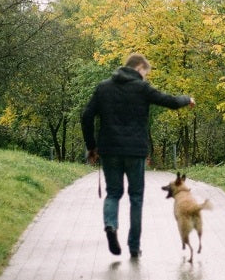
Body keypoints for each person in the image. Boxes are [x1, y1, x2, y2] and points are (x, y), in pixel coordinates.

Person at [81, 53, 195, 257]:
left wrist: (92, 147)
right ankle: (134, 247)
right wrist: (187, 99)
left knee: (113, 193)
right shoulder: (142, 88)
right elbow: (169, 101)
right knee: (136, 198)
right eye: (145, 73)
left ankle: (110, 225)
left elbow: (86, 116)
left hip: (110, 150)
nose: (146, 77)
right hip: (135, 152)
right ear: (139, 68)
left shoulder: (103, 88)